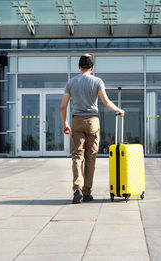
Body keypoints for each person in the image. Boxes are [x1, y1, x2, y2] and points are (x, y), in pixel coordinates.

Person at [60, 54, 125, 204]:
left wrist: (65, 123)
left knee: (77, 156)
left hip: (76, 121)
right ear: (92, 67)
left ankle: (77, 188)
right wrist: (119, 110)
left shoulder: (71, 82)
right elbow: (106, 102)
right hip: (92, 122)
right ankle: (87, 192)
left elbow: (63, 106)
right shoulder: (97, 81)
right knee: (90, 157)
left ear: (78, 67)